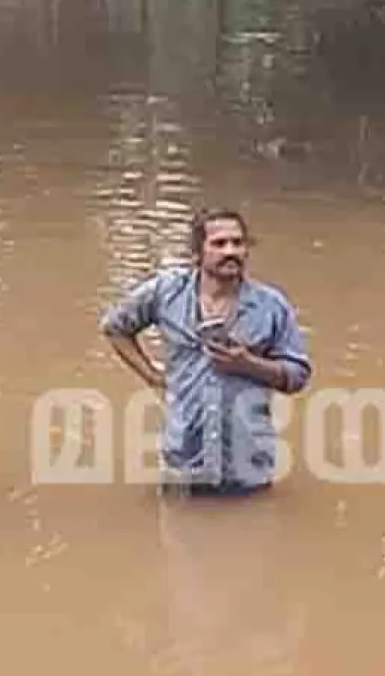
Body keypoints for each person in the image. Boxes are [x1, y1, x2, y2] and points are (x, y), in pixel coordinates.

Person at [100, 208, 314, 496]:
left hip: (246, 464)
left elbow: (298, 376)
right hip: (183, 458)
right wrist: (152, 376)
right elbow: (116, 328)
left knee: (254, 534)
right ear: (197, 252)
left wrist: (249, 364)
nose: (231, 251)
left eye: (238, 243)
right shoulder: (166, 293)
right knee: (177, 535)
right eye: (219, 243)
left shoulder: (271, 306)